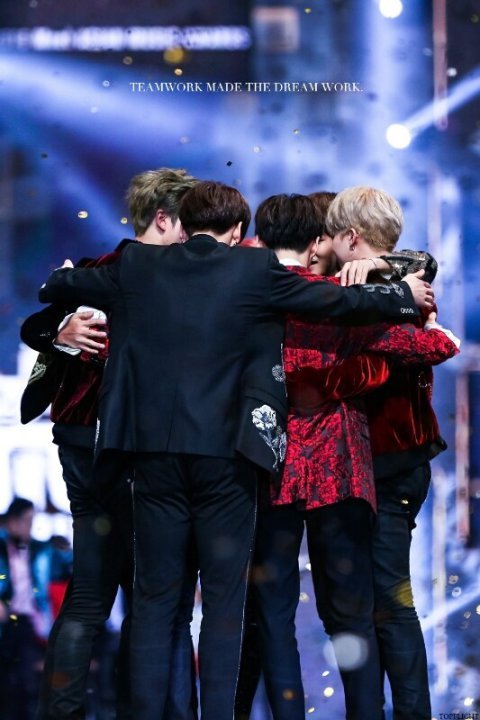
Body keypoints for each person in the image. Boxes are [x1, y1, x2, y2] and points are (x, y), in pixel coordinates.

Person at [36, 179, 434, 720]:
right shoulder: (253, 269)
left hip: (151, 460)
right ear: (238, 229)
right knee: (226, 605)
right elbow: (340, 300)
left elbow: (59, 284)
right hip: (228, 462)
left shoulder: (135, 266)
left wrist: (61, 301)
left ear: (183, 223)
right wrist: (403, 294)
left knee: (154, 601)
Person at [235, 193, 459, 720]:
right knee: (359, 609)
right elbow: (430, 344)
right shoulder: (347, 294)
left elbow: (423, 308)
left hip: (356, 466)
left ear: (345, 238)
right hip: (350, 469)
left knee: (350, 608)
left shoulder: (352, 290)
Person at [20, 167, 199, 720]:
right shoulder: (144, 277)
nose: (194, 237)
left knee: (94, 593)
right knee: (149, 597)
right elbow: (35, 326)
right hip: (130, 451)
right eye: (188, 224)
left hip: (86, 446)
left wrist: (56, 330)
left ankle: (67, 712)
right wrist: (59, 333)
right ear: (163, 219)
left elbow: (38, 320)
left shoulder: (96, 272)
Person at [326, 185, 457, 720]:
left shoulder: (387, 290)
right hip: (395, 465)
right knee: (376, 602)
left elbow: (399, 345)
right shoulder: (406, 281)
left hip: (388, 466)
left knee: (389, 602)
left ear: (351, 236)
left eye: (333, 238)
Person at [0, 498, 72, 720]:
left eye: (32, 521)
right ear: (12, 521)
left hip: (28, 622)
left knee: (27, 682)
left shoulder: (41, 551)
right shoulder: (2, 549)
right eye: (25, 520)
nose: (29, 526)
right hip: (5, 622)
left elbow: (65, 566)